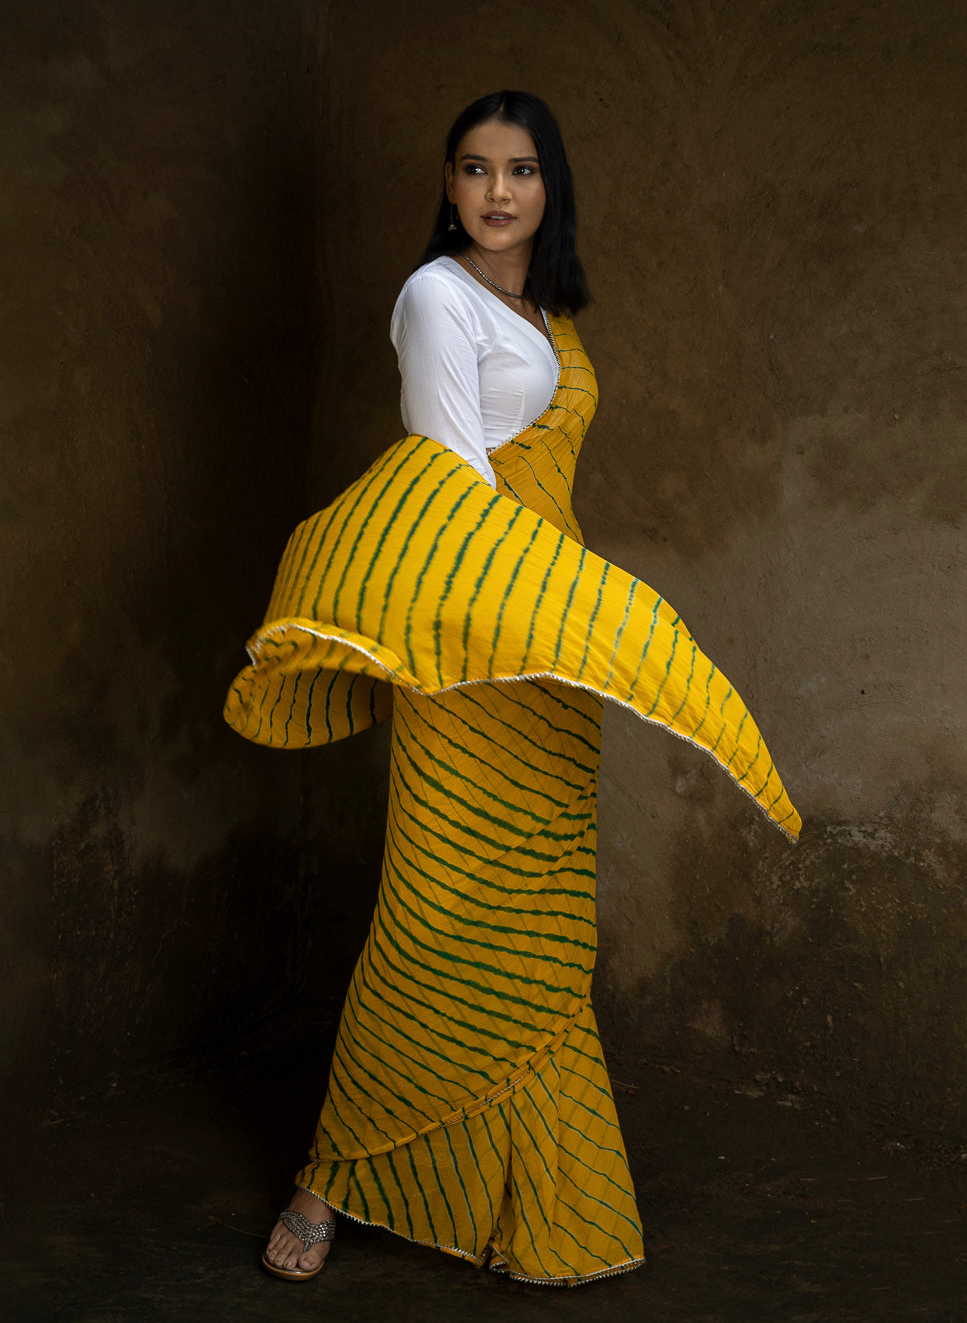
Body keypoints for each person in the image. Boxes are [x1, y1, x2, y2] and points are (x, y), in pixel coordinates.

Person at [226, 90, 800, 1287]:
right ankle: (330, 1176)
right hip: (472, 637)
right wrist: (604, 614)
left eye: (522, 169)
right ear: (447, 186)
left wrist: (580, 625)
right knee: (436, 906)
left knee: (535, 924)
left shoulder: (540, 309)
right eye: (476, 169)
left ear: (550, 188)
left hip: (547, 658)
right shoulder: (437, 299)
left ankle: (521, 1191)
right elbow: (451, 490)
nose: (498, 191)